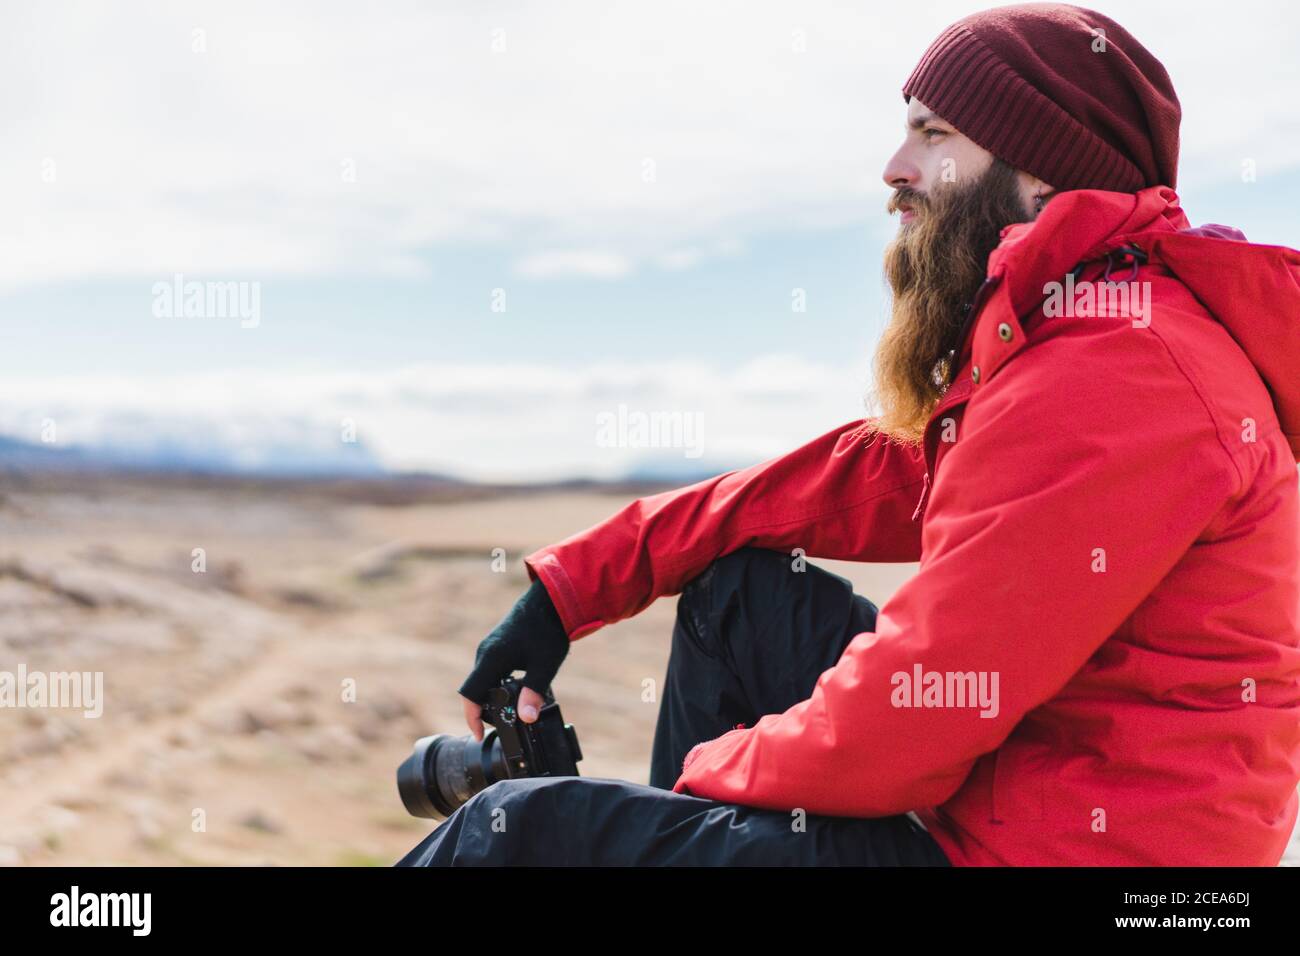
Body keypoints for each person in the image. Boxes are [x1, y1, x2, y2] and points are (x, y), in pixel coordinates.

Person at [398, 2, 1300, 866]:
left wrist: (685, 795)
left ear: (1042, 170)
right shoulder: (1079, 331)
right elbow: (858, 479)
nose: (894, 167)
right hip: (1018, 797)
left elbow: (910, 724)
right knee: (737, 598)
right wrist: (568, 592)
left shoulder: (1117, 374)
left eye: (934, 133)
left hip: (1051, 857)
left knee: (508, 833)